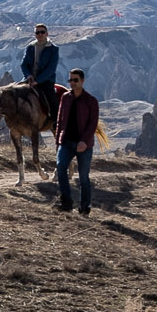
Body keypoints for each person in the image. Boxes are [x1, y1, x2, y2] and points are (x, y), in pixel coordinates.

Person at [54, 67, 102, 215]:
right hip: (66, 142)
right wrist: (58, 140)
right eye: (70, 80)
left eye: (75, 80)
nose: (72, 83)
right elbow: (60, 119)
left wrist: (84, 141)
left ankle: (84, 208)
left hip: (84, 145)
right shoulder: (65, 98)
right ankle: (66, 201)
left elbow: (92, 124)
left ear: (82, 81)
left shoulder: (91, 101)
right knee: (61, 167)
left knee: (83, 178)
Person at [21, 24, 61, 126]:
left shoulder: (53, 49)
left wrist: (38, 81)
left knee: (52, 100)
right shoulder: (30, 47)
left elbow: (51, 69)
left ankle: (56, 123)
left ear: (47, 34)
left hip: (46, 81)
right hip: (29, 80)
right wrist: (28, 75)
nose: (40, 34)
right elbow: (24, 64)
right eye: (37, 32)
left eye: (42, 32)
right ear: (35, 34)